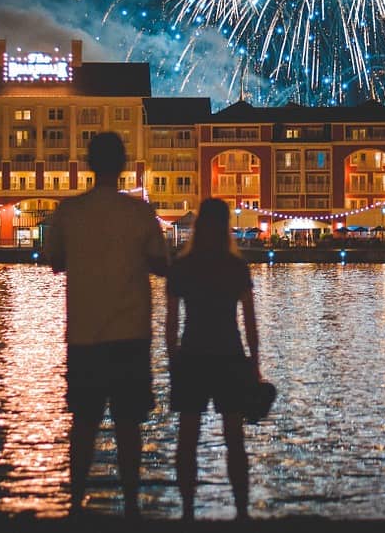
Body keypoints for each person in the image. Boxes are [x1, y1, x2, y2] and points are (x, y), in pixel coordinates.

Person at [44, 131, 170, 519]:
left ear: (88, 164)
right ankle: (131, 506)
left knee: (84, 422)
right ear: (123, 166)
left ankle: (76, 504)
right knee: (129, 424)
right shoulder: (140, 213)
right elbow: (161, 264)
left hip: (84, 334)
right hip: (131, 333)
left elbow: (54, 261)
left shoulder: (68, 212)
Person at [166, 197, 261, 522]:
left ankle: (188, 511)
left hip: (192, 354)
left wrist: (172, 359)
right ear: (226, 227)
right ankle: (242, 511)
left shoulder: (182, 266)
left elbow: (171, 322)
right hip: (229, 354)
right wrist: (255, 363)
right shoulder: (236, 267)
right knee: (235, 439)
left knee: (187, 438)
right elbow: (249, 320)